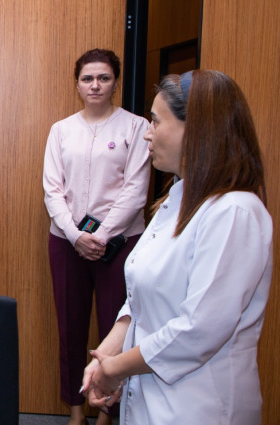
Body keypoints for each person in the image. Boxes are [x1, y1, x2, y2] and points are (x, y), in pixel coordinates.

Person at [82, 70, 272, 424]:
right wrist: (106, 354)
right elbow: (140, 297)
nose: (147, 133)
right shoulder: (176, 200)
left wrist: (115, 369)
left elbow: (199, 330)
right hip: (150, 399)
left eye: (156, 121)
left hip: (199, 406)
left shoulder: (234, 212)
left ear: (197, 130)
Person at [42, 49, 150, 425]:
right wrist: (75, 236)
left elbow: (136, 190)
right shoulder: (61, 130)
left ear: (115, 83)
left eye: (104, 78)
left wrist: (101, 236)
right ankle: (76, 413)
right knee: (70, 328)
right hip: (66, 241)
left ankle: (106, 414)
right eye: (87, 78)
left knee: (114, 328)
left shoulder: (135, 127)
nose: (95, 85)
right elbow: (52, 190)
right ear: (77, 84)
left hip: (119, 244)